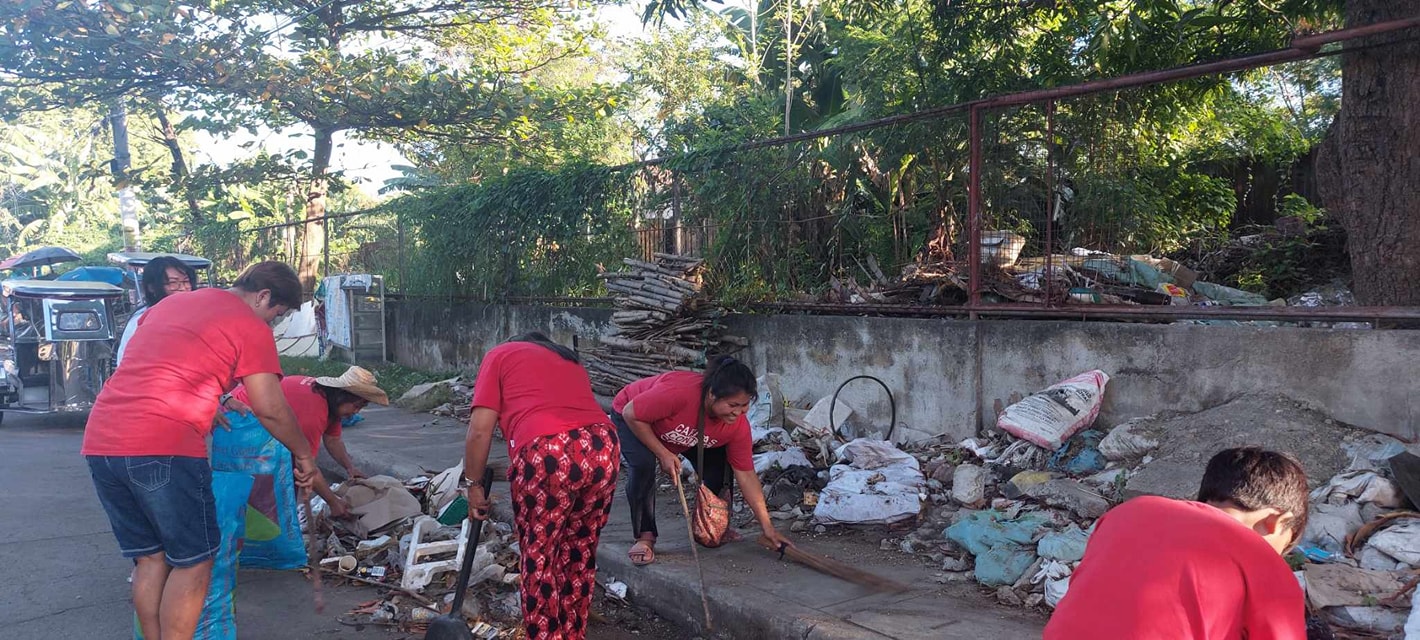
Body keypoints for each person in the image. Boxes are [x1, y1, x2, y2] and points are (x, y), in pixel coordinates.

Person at [82, 261, 319, 640]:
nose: (274, 324)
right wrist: (304, 454)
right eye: (278, 314)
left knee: (150, 558)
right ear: (262, 296)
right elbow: (270, 408)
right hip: (163, 446)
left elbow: (162, 365)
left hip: (102, 441)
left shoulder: (169, 306)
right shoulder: (249, 325)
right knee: (193, 563)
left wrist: (215, 398)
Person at [1044, 447, 1310, 639]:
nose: (1279, 558)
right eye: (1283, 548)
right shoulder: (1263, 561)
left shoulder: (1127, 513)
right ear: (1275, 521)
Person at [463, 332, 620, 640]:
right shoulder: (567, 358)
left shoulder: (501, 353)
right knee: (579, 553)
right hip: (604, 446)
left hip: (549, 451)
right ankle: (573, 634)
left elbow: (480, 431)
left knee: (540, 556)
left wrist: (472, 485)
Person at [613, 356, 793, 566]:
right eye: (732, 405)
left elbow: (746, 474)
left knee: (720, 467)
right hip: (637, 420)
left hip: (689, 433)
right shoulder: (678, 394)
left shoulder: (736, 426)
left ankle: (713, 524)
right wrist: (662, 453)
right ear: (711, 395)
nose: (738, 412)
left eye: (744, 406)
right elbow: (631, 413)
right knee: (643, 467)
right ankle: (645, 536)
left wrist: (768, 527)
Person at [220, 365, 389, 518]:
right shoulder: (314, 412)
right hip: (238, 417)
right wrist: (333, 502)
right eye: (356, 406)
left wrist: (350, 467)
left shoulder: (331, 404)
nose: (356, 412)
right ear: (342, 397)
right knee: (268, 485)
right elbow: (305, 465)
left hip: (259, 418)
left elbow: (333, 440)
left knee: (285, 481)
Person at [116, 255, 197, 366]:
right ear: (152, 288)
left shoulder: (197, 316)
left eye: (186, 281)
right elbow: (124, 362)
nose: (183, 288)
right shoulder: (141, 321)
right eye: (173, 282)